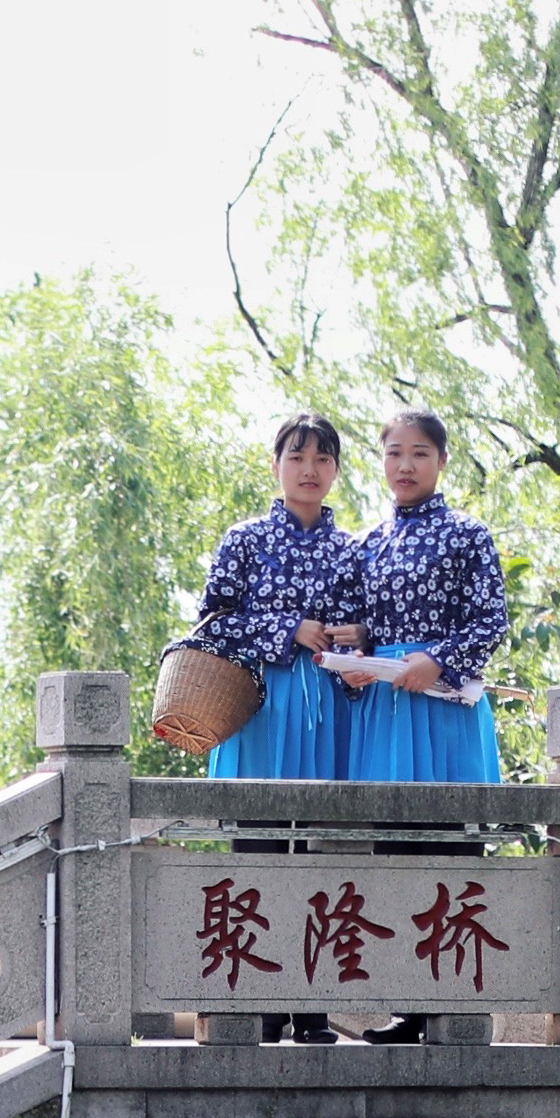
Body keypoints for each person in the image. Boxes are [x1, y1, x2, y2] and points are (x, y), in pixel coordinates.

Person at [189, 413, 365, 1039]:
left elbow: (367, 630)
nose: (309, 470)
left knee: (317, 858)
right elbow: (212, 624)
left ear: (337, 471)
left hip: (328, 711)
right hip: (261, 709)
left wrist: (355, 638)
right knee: (258, 851)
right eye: (297, 457)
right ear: (276, 464)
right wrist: (287, 628)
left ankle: (312, 1009)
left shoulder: (354, 550)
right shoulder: (244, 540)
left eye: (322, 459)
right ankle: (257, 1003)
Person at [339, 410, 508, 1042]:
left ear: (441, 461)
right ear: (380, 460)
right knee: (394, 851)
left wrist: (435, 658)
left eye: (418, 454)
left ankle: (459, 1007)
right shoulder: (368, 542)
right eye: (393, 454)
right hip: (386, 712)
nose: (404, 466)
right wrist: (353, 663)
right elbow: (358, 628)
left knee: (451, 847)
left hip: (441, 708)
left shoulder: (468, 535)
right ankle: (410, 1006)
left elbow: (491, 620)